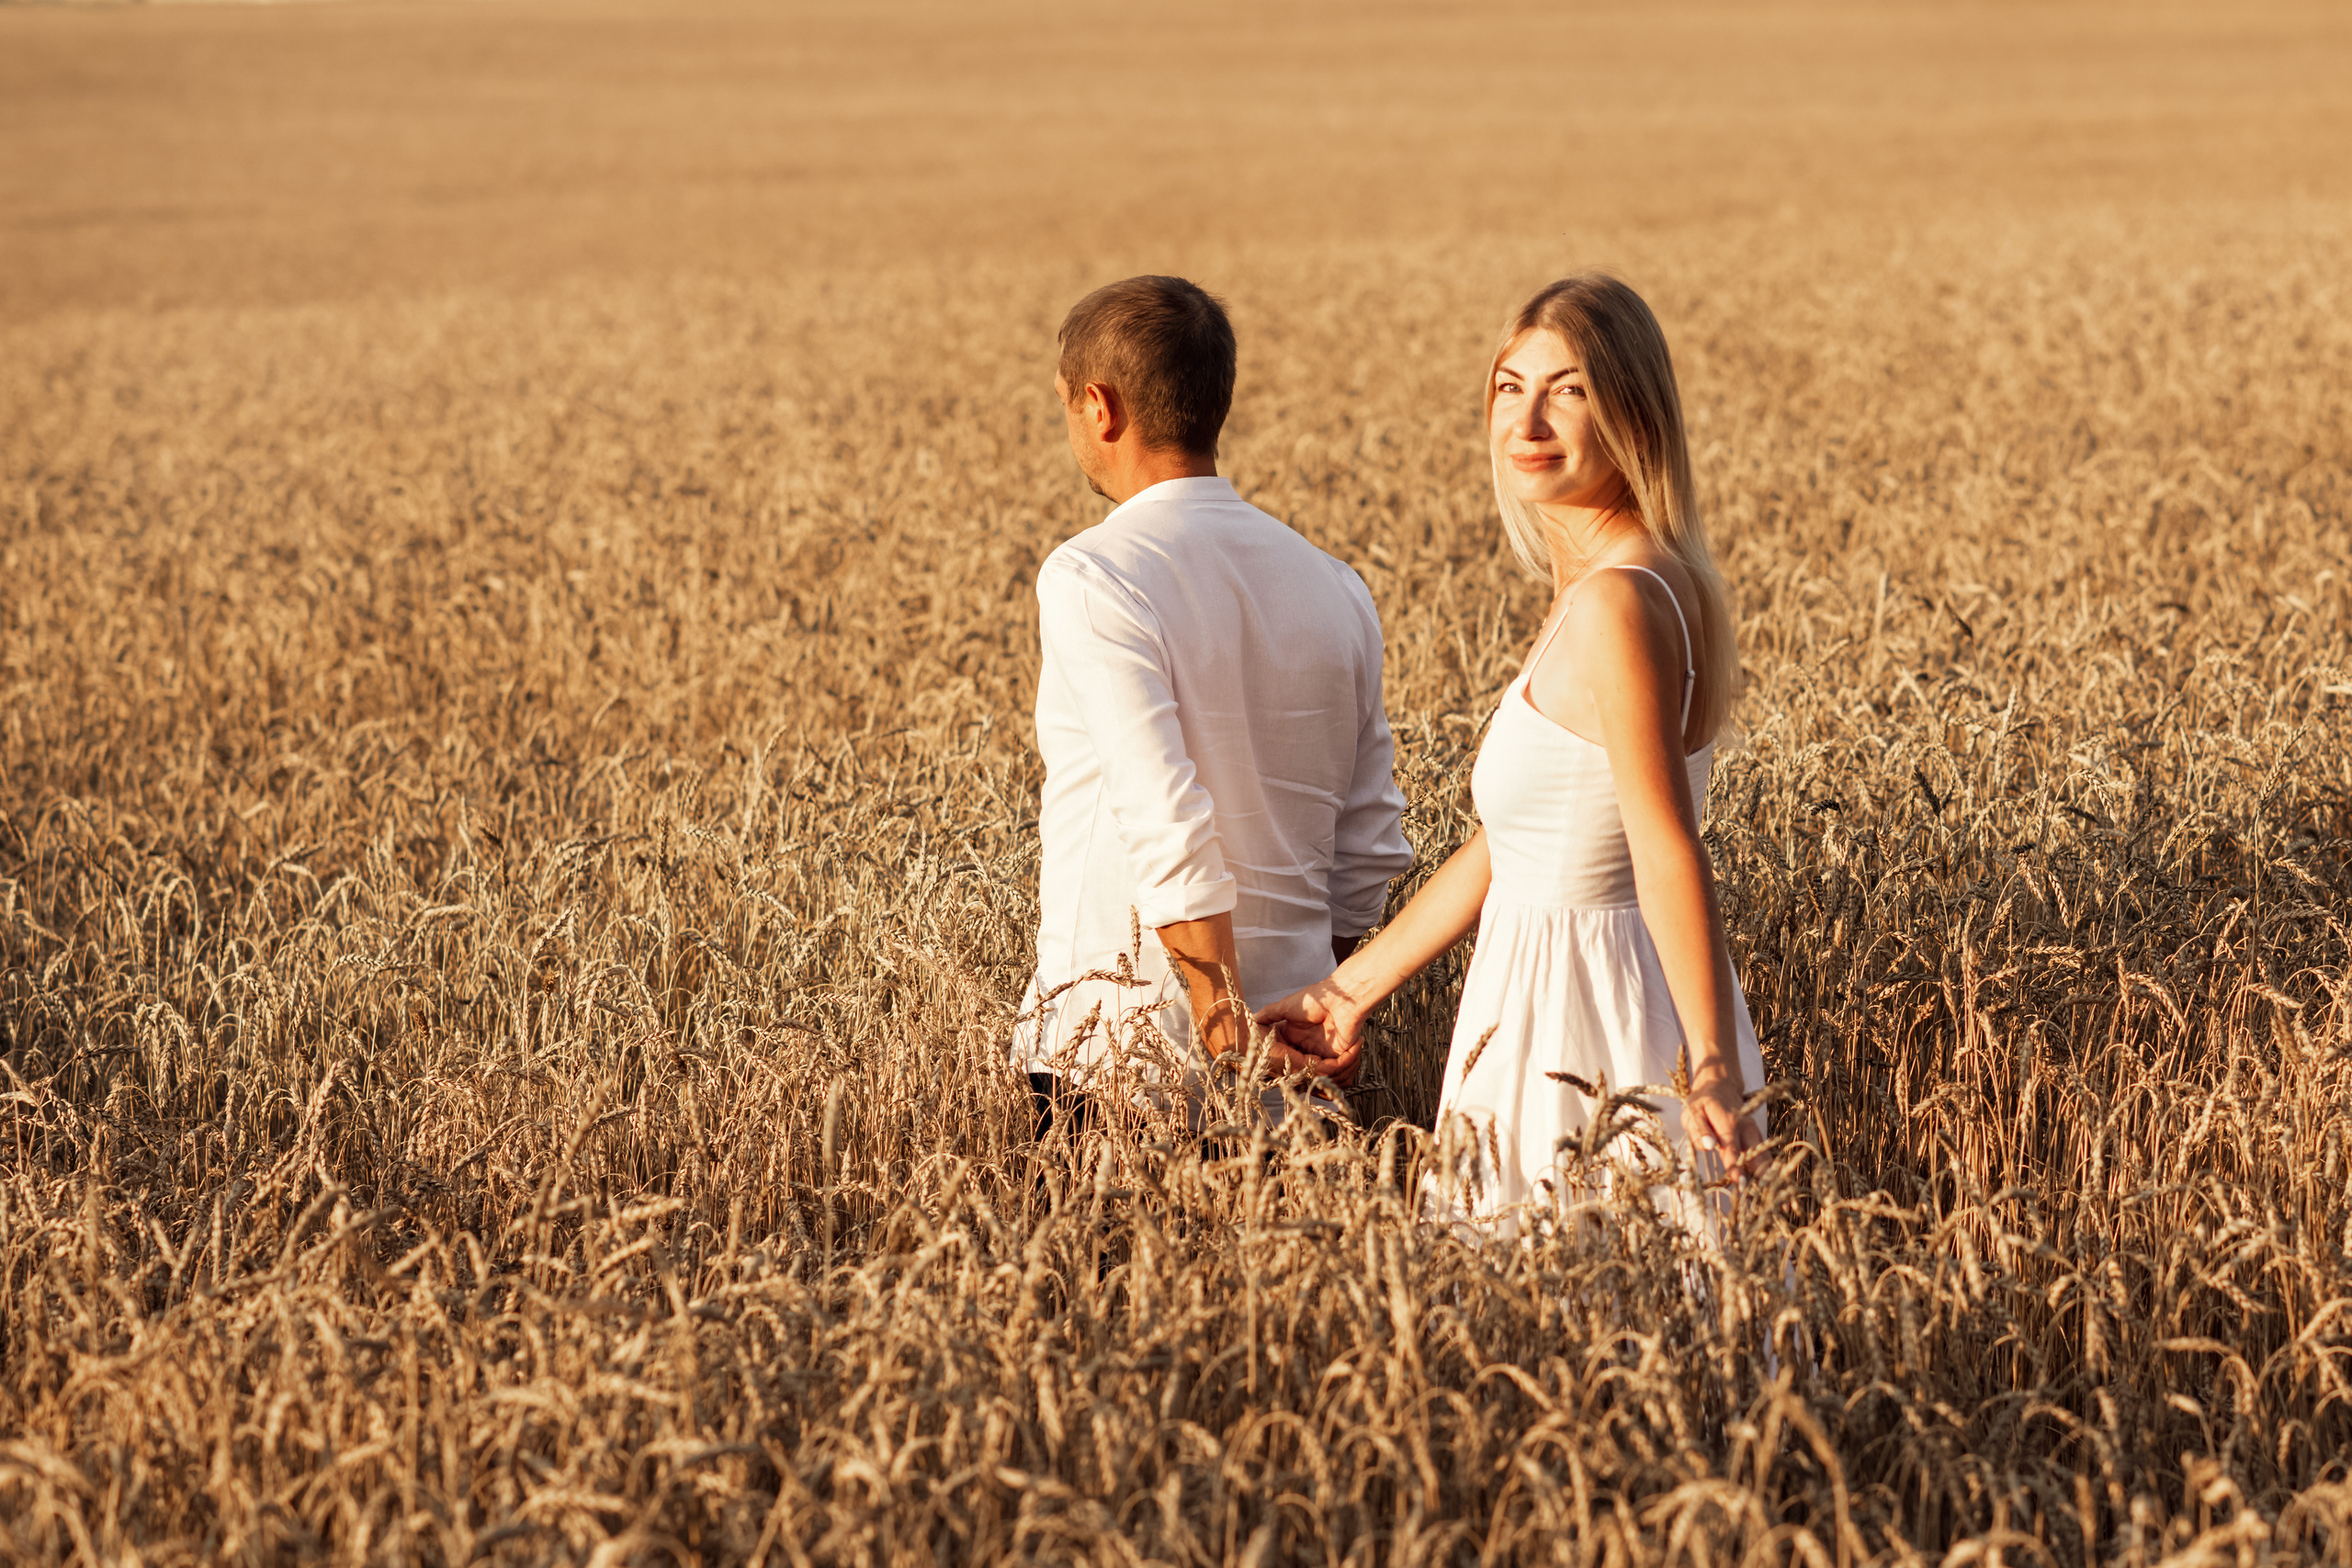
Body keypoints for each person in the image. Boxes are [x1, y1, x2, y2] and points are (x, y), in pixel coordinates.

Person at [1258, 273, 1767, 1223]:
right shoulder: (1636, 580)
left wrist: (1710, 1067)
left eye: (1567, 390)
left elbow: (1662, 845)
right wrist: (1347, 991)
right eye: (1508, 387)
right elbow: (1528, 838)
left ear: (1632, 413)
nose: (1527, 419)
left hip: (1581, 1013)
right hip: (1590, 988)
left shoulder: (1619, 601)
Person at [1014, 276, 1413, 1133]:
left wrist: (1225, 1025)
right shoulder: (1336, 587)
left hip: (1115, 1055)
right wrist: (1310, 1003)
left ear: (1100, 406)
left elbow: (1167, 816)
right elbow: (1371, 837)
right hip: (1299, 1059)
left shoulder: (1093, 576)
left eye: (1066, 406)